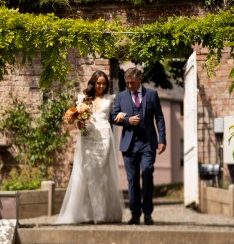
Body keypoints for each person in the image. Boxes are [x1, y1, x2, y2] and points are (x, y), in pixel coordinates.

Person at [56, 70, 124, 225]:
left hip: (104, 138)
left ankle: (102, 214)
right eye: (98, 83)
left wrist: (122, 116)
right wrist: (78, 121)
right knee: (88, 174)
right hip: (88, 138)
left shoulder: (110, 99)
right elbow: (75, 121)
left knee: (101, 173)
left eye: (104, 83)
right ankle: (88, 214)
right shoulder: (83, 99)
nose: (101, 86)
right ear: (93, 83)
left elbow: (114, 116)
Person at [111, 66, 166, 226]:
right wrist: (127, 120)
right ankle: (135, 214)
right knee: (132, 180)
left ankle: (148, 214)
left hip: (148, 143)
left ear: (139, 80)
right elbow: (114, 117)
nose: (129, 86)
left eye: (132, 83)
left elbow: (160, 118)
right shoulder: (121, 97)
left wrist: (162, 139)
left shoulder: (152, 95)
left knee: (148, 173)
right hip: (128, 144)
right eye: (127, 83)